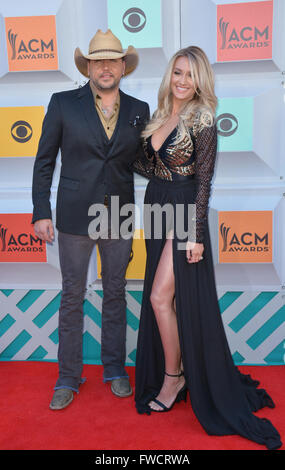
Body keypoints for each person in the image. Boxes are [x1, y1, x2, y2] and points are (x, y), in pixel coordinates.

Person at [133, 46, 282, 450]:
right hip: (156, 204)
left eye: (190, 75)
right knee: (169, 300)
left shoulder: (203, 119)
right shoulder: (160, 116)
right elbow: (149, 167)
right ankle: (178, 370)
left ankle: (174, 377)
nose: (182, 80)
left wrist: (196, 233)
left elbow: (203, 182)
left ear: (201, 81)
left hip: (183, 209)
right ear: (170, 75)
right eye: (178, 72)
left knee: (160, 297)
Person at [32, 29, 150, 409]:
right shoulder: (64, 103)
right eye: (97, 60)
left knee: (115, 294)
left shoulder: (139, 109)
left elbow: (144, 162)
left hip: (119, 215)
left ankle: (115, 369)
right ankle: (68, 376)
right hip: (73, 217)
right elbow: (44, 161)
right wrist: (40, 212)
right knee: (72, 295)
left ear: (122, 66)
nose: (105, 67)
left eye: (111, 60)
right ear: (89, 66)